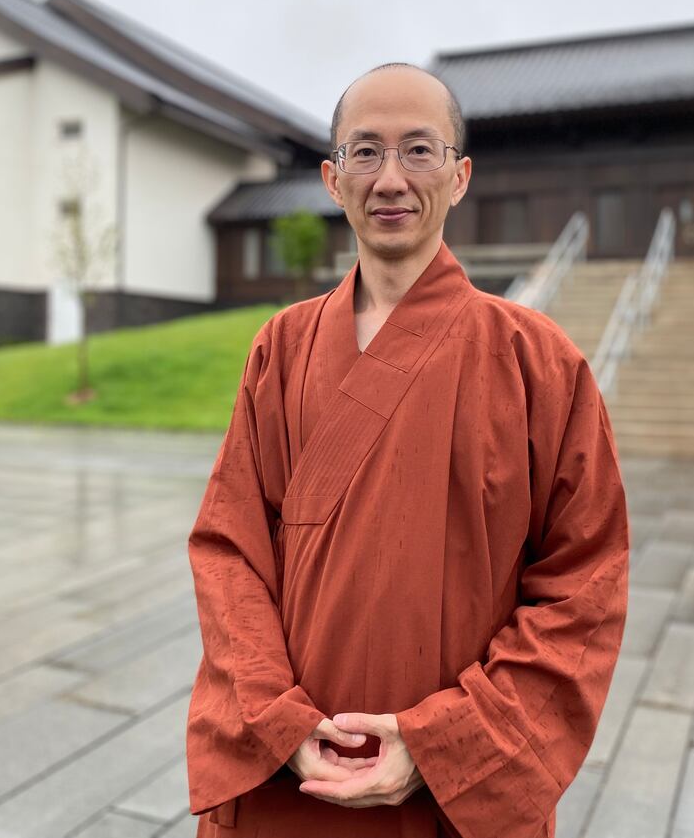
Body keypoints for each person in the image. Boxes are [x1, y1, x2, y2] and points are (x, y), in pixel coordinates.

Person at [184, 62, 630, 838]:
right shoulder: (281, 350)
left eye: (419, 151)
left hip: (451, 799)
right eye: (366, 152)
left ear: (460, 177)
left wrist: (444, 746)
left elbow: (584, 587)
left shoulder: (538, 361)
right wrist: (277, 719)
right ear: (331, 178)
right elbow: (230, 553)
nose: (391, 178)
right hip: (292, 784)